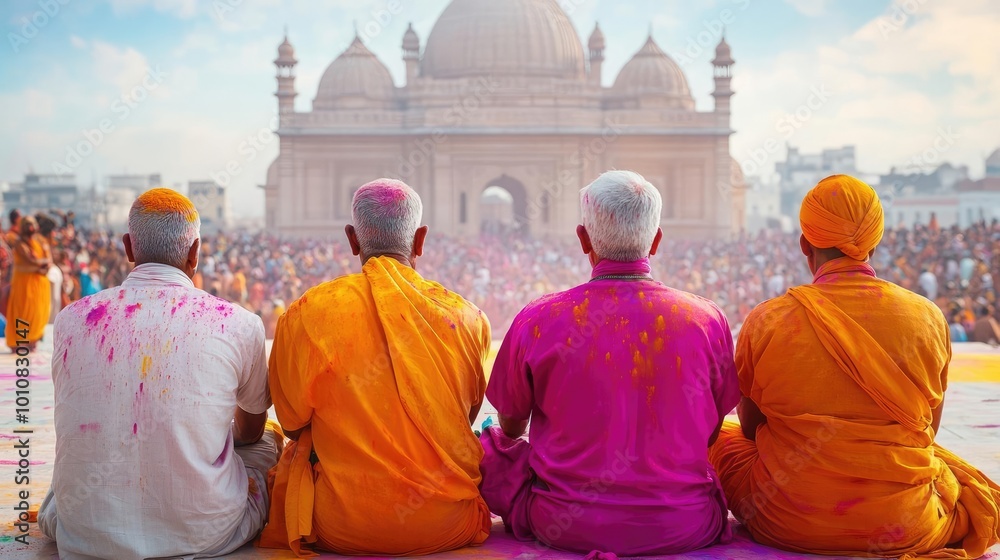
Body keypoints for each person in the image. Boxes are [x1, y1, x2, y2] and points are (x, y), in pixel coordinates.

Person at [709, 175, 1000, 558]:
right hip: (905, 523)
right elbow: (926, 430)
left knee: (721, 437)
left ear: (804, 245)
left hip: (784, 519)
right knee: (942, 465)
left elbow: (749, 427)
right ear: (873, 244)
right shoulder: (927, 317)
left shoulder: (768, 319)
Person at [480, 170, 740, 555]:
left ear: (583, 238)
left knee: (486, 443)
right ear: (656, 240)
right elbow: (713, 431)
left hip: (561, 523)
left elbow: (511, 425)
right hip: (684, 523)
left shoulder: (539, 319)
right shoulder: (705, 320)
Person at [38, 188, 281, 559]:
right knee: (267, 441)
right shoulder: (239, 323)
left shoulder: (72, 319)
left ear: (129, 248)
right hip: (205, 531)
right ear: (195, 252)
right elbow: (249, 430)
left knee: (66, 482)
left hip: (84, 528)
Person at [260, 179, 492, 556]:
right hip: (449, 525)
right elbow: (464, 418)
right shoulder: (467, 317)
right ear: (420, 240)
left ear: (352, 240)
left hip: (340, 527)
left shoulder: (308, 313)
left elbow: (291, 423)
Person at [5, 216, 52, 352]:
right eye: (27, 225)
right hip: (23, 283)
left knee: (38, 312)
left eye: (32, 224)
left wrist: (44, 265)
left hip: (40, 283)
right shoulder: (19, 243)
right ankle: (20, 341)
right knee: (22, 312)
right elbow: (31, 260)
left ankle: (33, 339)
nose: (30, 228)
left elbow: (48, 259)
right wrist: (42, 264)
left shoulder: (41, 241)